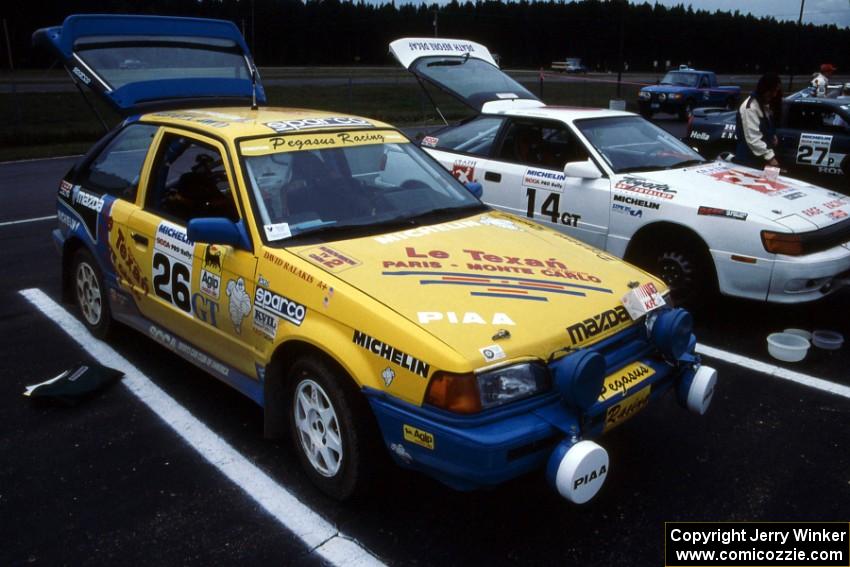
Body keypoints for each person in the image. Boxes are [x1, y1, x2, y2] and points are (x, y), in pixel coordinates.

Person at [733, 73, 782, 169]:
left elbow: (767, 127)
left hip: (760, 160)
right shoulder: (750, 107)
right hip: (748, 162)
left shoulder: (764, 105)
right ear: (765, 89)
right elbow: (753, 139)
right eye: (773, 91)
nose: (775, 94)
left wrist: (773, 136)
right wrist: (771, 158)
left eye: (777, 91)